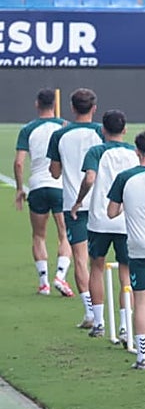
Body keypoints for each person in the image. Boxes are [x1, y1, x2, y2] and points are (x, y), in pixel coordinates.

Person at [74, 109, 138, 340]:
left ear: (103, 130)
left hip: (100, 219)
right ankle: (124, 325)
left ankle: (99, 321)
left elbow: (89, 178)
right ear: (125, 129)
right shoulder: (134, 152)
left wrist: (79, 200)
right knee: (125, 271)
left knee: (97, 268)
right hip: (125, 220)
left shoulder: (96, 151)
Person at [106, 129, 145, 370]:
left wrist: (126, 207)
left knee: (140, 301)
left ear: (136, 151)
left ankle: (142, 356)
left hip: (138, 246)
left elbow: (111, 212)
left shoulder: (125, 178)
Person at [47, 88, 102, 328]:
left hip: (74, 205)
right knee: (101, 262)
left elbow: (55, 172)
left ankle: (91, 312)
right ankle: (117, 319)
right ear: (94, 108)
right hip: (101, 205)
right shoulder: (102, 131)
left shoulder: (60, 135)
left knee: (80, 259)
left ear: (71, 107)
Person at [13, 88, 71, 297]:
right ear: (55, 105)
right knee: (64, 234)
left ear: (37, 104)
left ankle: (44, 283)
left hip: (37, 185)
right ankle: (61, 277)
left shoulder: (28, 129)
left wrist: (20, 189)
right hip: (59, 186)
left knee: (39, 235)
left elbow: (19, 163)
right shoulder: (65, 126)